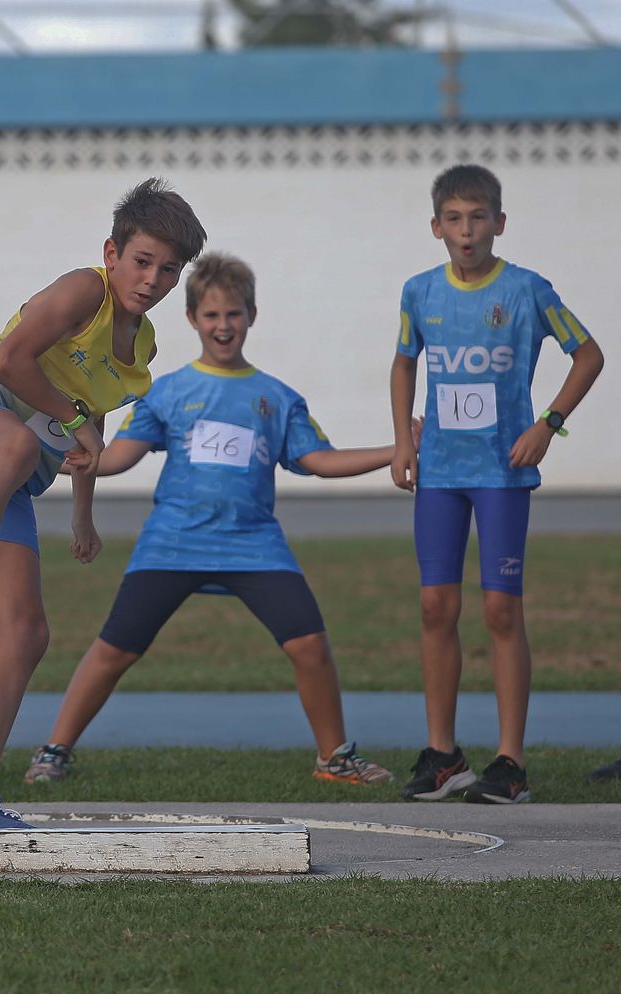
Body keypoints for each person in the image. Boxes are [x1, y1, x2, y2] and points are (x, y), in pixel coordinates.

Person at [22, 252, 396, 789]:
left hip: (253, 544)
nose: (224, 327)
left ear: (252, 316)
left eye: (234, 315)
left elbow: (318, 461)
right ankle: (54, 750)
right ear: (193, 318)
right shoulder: (167, 391)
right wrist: (41, 459)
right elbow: (116, 456)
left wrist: (396, 449)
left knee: (309, 645)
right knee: (114, 648)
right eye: (213, 316)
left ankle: (334, 758)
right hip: (172, 543)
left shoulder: (277, 397)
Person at [0, 178, 208, 829]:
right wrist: (76, 421)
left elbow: (82, 431)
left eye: (169, 269)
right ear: (111, 252)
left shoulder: (144, 346)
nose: (153, 279)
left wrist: (82, 511)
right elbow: (14, 362)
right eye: (142, 261)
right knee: (14, 445)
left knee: (27, 631)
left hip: (3, 479)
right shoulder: (85, 290)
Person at [390, 164, 604, 804]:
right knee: (436, 607)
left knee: (500, 610)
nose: (466, 230)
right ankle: (443, 757)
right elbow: (404, 364)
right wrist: (404, 439)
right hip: (441, 476)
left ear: (499, 223)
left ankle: (510, 764)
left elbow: (588, 353)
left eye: (478, 217)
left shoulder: (528, 290)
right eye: (453, 218)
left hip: (503, 475)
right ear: (436, 227)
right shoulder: (419, 291)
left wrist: (550, 424)